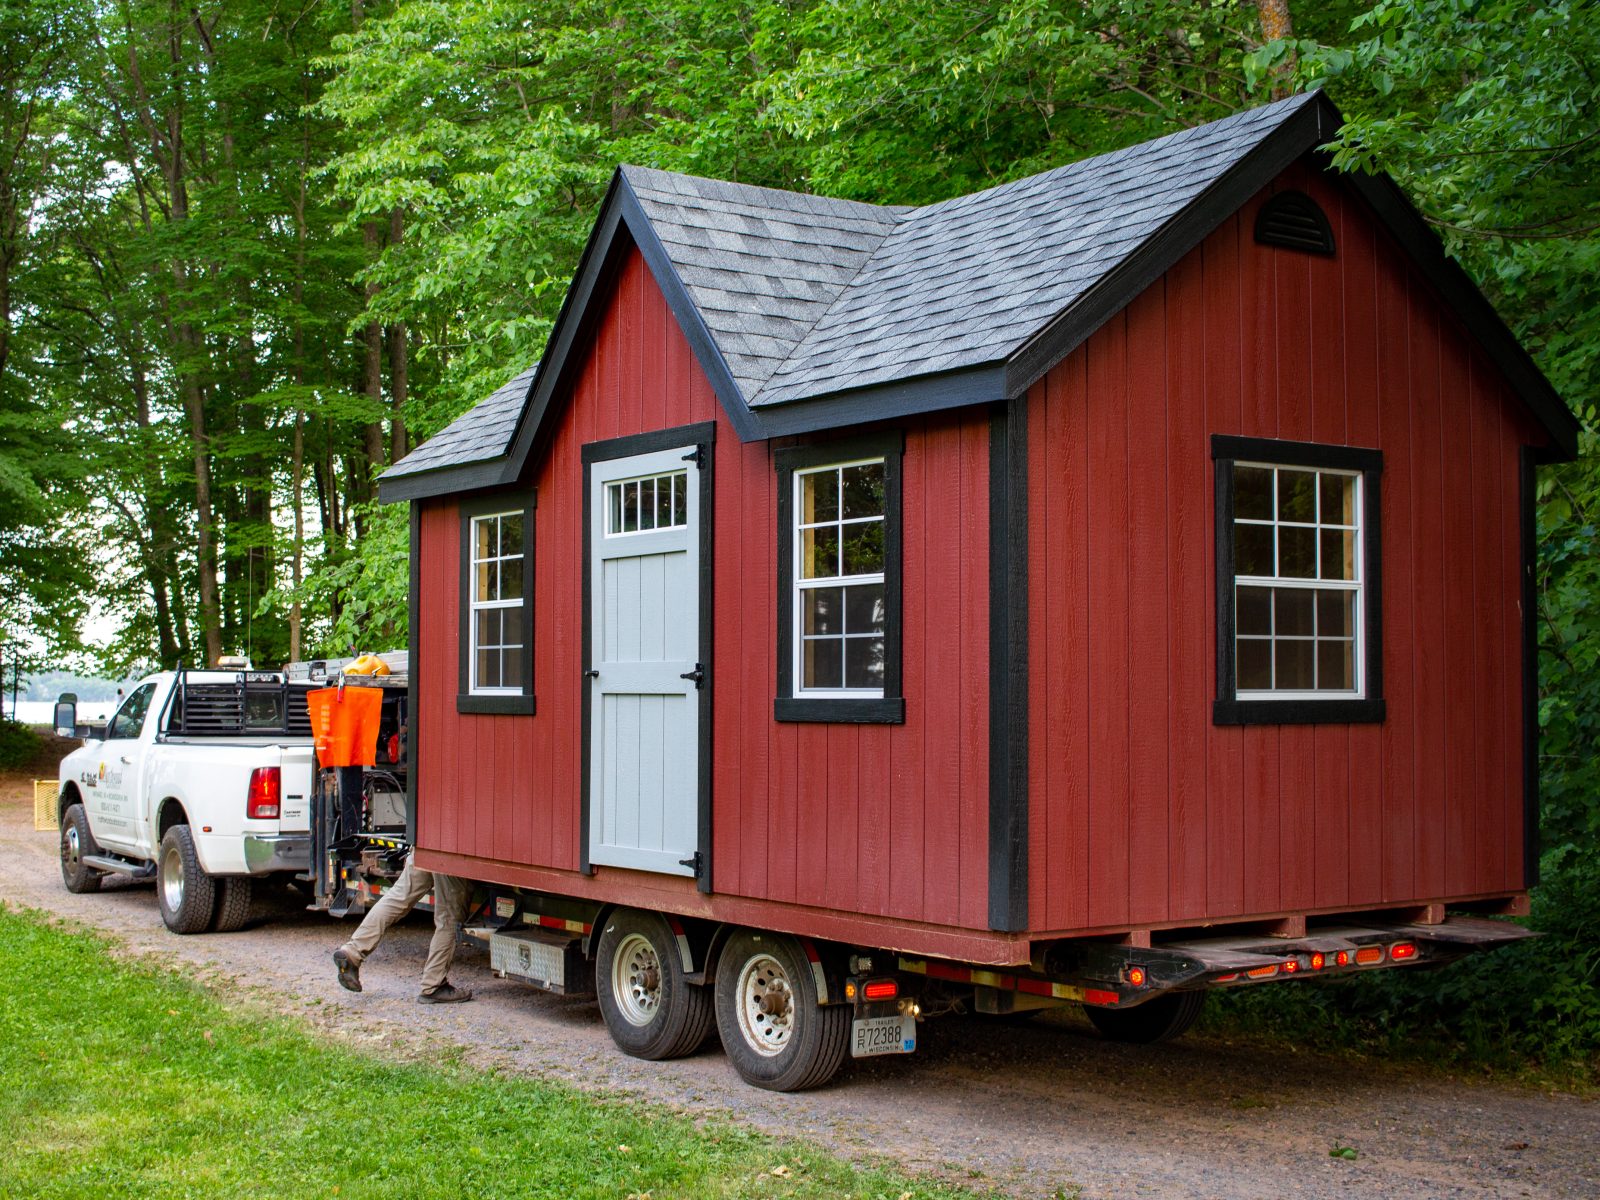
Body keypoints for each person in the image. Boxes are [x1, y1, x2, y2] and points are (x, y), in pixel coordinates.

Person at [332, 855, 474, 1003]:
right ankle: (434, 985)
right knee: (449, 918)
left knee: (397, 898)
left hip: (423, 846)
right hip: (450, 851)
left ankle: (352, 951)